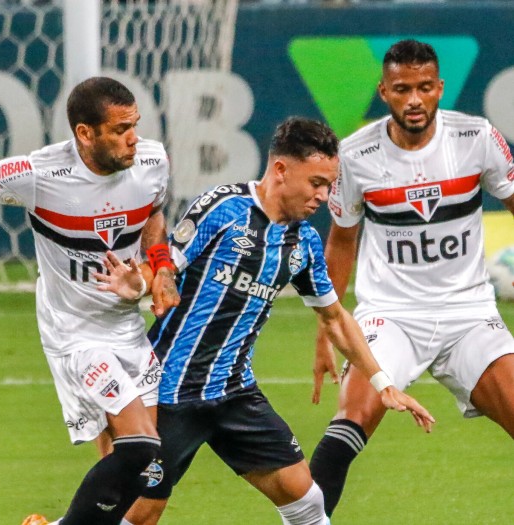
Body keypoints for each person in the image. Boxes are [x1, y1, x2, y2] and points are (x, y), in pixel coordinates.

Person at [93, 117, 434, 525]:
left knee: (307, 502)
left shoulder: (303, 242)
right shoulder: (223, 208)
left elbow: (335, 317)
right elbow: (165, 269)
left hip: (235, 393)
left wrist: (383, 383)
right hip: (170, 392)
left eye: (329, 185)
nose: (324, 197)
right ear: (281, 170)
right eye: (317, 183)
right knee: (139, 514)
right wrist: (139, 283)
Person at [0, 76, 180, 525]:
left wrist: (160, 267)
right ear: (85, 133)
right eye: (121, 128)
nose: (134, 138)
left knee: (145, 485)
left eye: (135, 125)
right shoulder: (37, 174)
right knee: (142, 447)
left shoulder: (152, 160)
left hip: (127, 329)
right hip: (75, 336)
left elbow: (156, 210)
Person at [308, 39, 514, 518]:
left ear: (440, 88)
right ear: (384, 91)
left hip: (469, 316)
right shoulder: (355, 155)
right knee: (347, 426)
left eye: (425, 88)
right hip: (390, 317)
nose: (415, 99)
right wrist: (326, 326)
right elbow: (341, 241)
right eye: (403, 89)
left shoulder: (476, 137)